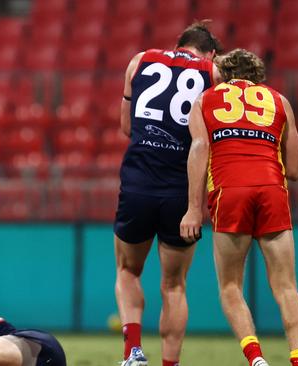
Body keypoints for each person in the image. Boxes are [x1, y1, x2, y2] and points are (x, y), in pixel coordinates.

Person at [180, 48, 298, 366]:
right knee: (286, 286)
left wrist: (193, 209)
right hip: (271, 190)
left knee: (230, 285)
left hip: (230, 192)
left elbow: (199, 149)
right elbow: (294, 170)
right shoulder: (280, 101)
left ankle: (256, 359)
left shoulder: (205, 100)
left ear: (223, 74)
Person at [113, 21, 223, 366]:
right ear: (211, 52)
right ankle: (169, 364)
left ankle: (133, 352)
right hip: (180, 189)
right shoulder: (213, 72)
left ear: (181, 43)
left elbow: (127, 127)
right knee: (174, 285)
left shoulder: (140, 60)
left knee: (128, 270)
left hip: (138, 183)